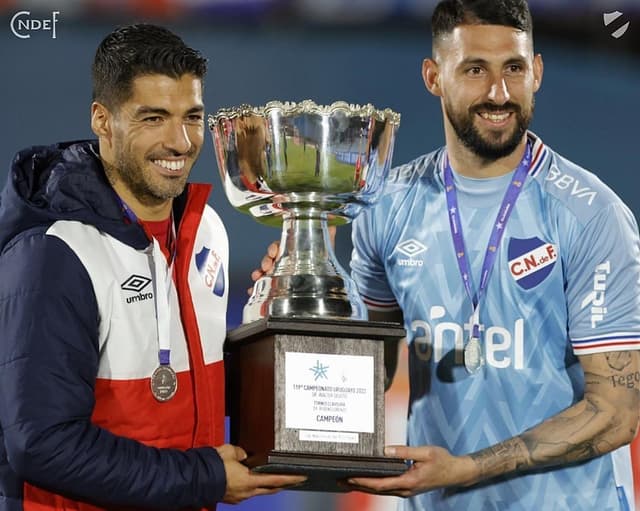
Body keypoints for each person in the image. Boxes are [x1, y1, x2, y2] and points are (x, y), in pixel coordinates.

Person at [254, 1, 640, 509]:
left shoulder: (589, 214)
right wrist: (301, 305)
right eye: (475, 70)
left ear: (538, 72)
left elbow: (616, 411)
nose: (498, 93)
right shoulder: (387, 207)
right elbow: (372, 368)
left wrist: (468, 467)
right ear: (434, 77)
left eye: (515, 69)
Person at [0, 23, 304, 511]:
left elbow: (190, 383)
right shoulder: (56, 252)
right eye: (154, 118)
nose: (180, 142)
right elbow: (41, 444)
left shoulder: (206, 230)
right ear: (103, 120)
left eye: (193, 116)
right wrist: (203, 478)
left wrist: (291, 314)